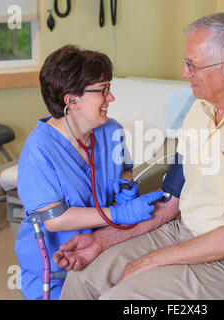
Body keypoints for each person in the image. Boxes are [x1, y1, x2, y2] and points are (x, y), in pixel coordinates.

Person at [54, 12, 224, 300]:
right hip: (183, 231)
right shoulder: (200, 109)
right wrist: (101, 240)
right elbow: (169, 204)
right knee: (84, 279)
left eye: (192, 65)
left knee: (123, 299)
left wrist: (150, 261)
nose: (184, 73)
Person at [14, 45, 163, 300]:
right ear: (71, 100)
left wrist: (126, 186)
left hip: (104, 249)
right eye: (103, 90)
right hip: (58, 263)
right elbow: (55, 220)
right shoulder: (39, 151)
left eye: (110, 88)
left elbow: (124, 170)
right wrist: (118, 213)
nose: (111, 98)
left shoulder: (111, 131)